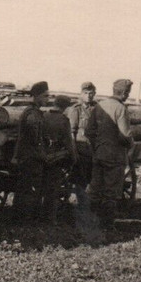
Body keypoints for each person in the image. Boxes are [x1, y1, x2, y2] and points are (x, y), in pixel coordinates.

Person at [85, 78, 134, 235]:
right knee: (111, 192)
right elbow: (125, 135)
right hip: (115, 157)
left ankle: (89, 222)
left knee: (94, 190)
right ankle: (107, 225)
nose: (128, 95)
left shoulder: (99, 106)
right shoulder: (121, 109)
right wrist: (130, 144)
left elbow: (88, 132)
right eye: (128, 92)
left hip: (99, 154)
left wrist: (98, 145)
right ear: (125, 93)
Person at [10, 81, 50, 223]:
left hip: (27, 156)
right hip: (31, 157)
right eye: (45, 96)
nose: (47, 99)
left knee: (24, 187)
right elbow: (35, 140)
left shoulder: (31, 112)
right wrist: (44, 155)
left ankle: (20, 217)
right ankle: (26, 219)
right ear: (37, 96)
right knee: (31, 188)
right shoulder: (33, 115)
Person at [41, 94, 78, 224]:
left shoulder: (44, 116)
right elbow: (68, 142)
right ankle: (51, 218)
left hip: (41, 156)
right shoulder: (63, 120)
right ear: (65, 107)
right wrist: (73, 158)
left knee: (42, 187)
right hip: (55, 158)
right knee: (53, 188)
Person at [65, 81, 97, 224]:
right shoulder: (76, 110)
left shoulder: (97, 109)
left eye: (91, 93)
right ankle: (81, 210)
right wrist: (73, 151)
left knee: (91, 179)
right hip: (80, 150)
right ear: (81, 94)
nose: (89, 96)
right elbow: (71, 133)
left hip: (93, 150)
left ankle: (87, 208)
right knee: (81, 181)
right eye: (86, 93)